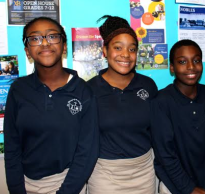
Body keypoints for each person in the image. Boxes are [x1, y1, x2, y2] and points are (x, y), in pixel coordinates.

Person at [4, 16, 99, 194]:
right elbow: (11, 146)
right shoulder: (18, 89)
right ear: (27, 51)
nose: (45, 43)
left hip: (69, 184)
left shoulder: (84, 92)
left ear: (64, 46)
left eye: (52, 36)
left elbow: (87, 151)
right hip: (25, 184)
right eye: (35, 38)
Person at [87, 15, 158, 194]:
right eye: (118, 47)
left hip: (144, 172)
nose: (125, 55)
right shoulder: (89, 90)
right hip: (105, 175)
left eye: (132, 49)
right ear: (105, 50)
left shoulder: (148, 86)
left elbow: (158, 132)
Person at [151, 39, 205, 194]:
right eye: (182, 61)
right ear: (172, 67)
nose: (191, 66)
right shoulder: (162, 101)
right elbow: (165, 154)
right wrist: (190, 189)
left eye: (196, 60)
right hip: (174, 185)